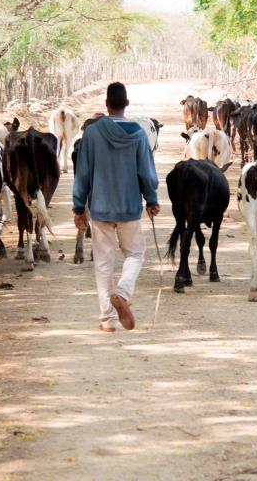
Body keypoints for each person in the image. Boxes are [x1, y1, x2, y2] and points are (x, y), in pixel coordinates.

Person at [72, 82, 160, 332]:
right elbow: (147, 173)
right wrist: (151, 200)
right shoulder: (139, 134)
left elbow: (83, 174)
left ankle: (107, 321)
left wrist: (79, 207)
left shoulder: (92, 133)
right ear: (126, 105)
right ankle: (123, 292)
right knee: (135, 254)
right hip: (130, 207)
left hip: (100, 209)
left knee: (103, 262)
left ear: (107, 105)